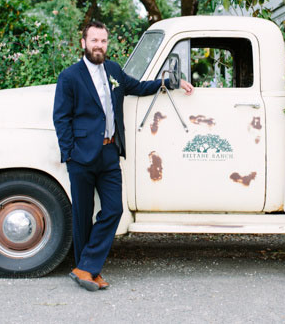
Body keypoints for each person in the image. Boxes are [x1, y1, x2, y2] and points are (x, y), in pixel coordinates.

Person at [53, 21, 193, 291]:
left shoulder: (114, 70)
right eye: (94, 40)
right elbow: (61, 118)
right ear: (83, 43)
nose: (99, 45)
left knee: (114, 209)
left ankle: (86, 267)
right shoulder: (70, 76)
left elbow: (136, 87)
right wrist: (70, 153)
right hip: (81, 155)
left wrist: (169, 83)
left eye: (103, 41)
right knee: (82, 215)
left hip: (109, 151)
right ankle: (89, 271)